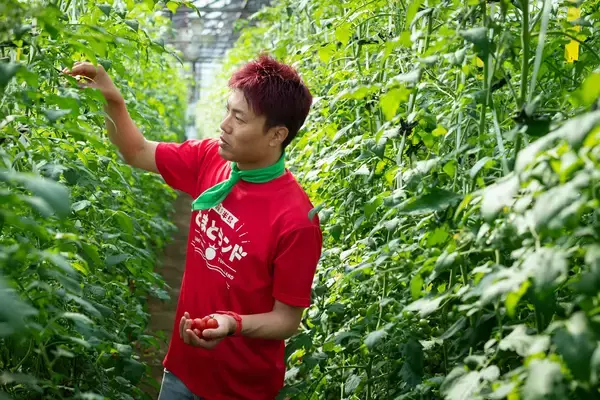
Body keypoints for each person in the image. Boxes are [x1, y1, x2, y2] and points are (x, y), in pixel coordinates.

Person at [64, 55, 322, 399]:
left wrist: (232, 324)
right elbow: (136, 151)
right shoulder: (211, 159)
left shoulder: (297, 220)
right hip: (183, 369)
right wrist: (113, 100)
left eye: (239, 118)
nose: (224, 125)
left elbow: (287, 320)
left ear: (277, 135)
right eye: (227, 111)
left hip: (242, 388)